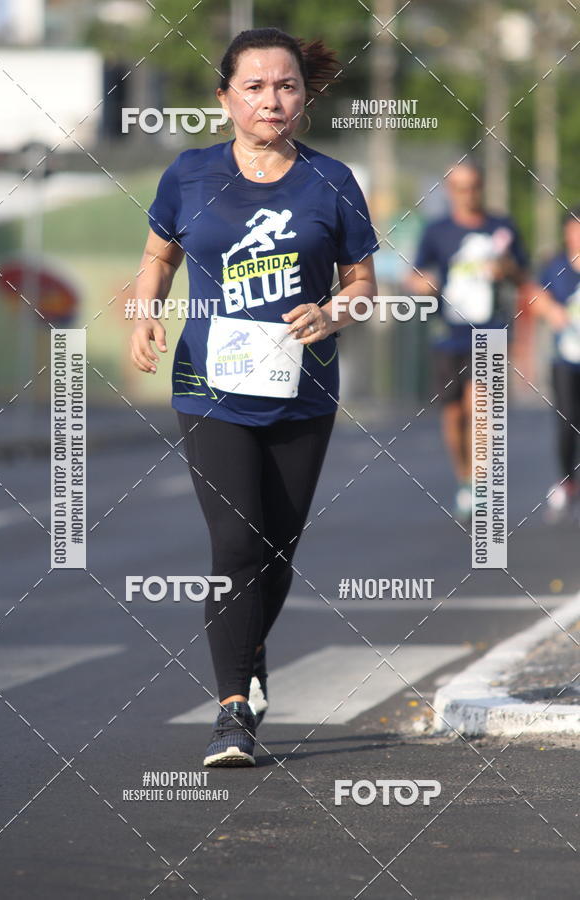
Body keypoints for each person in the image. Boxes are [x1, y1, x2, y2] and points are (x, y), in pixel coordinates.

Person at [130, 28, 378, 766]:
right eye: (256, 86)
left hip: (303, 391)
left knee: (275, 549)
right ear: (226, 97)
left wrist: (334, 312)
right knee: (236, 542)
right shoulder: (190, 173)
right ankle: (233, 709)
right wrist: (146, 309)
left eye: (287, 86)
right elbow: (159, 253)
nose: (273, 99)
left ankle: (250, 647)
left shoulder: (332, 180)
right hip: (209, 386)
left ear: (306, 94)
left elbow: (363, 285)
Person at [407, 162, 528, 522]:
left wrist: (506, 270)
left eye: (473, 186)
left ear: (482, 187)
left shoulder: (501, 227)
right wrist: (421, 285)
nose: (467, 193)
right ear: (448, 190)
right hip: (448, 332)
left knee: (480, 404)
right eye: (460, 187)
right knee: (454, 412)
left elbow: (524, 276)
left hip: (489, 328)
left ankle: (479, 481)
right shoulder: (436, 231)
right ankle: (464, 480)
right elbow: (415, 275)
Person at [530, 206, 580, 521]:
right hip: (565, 358)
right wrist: (551, 310)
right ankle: (567, 481)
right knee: (567, 421)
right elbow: (534, 296)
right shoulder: (556, 267)